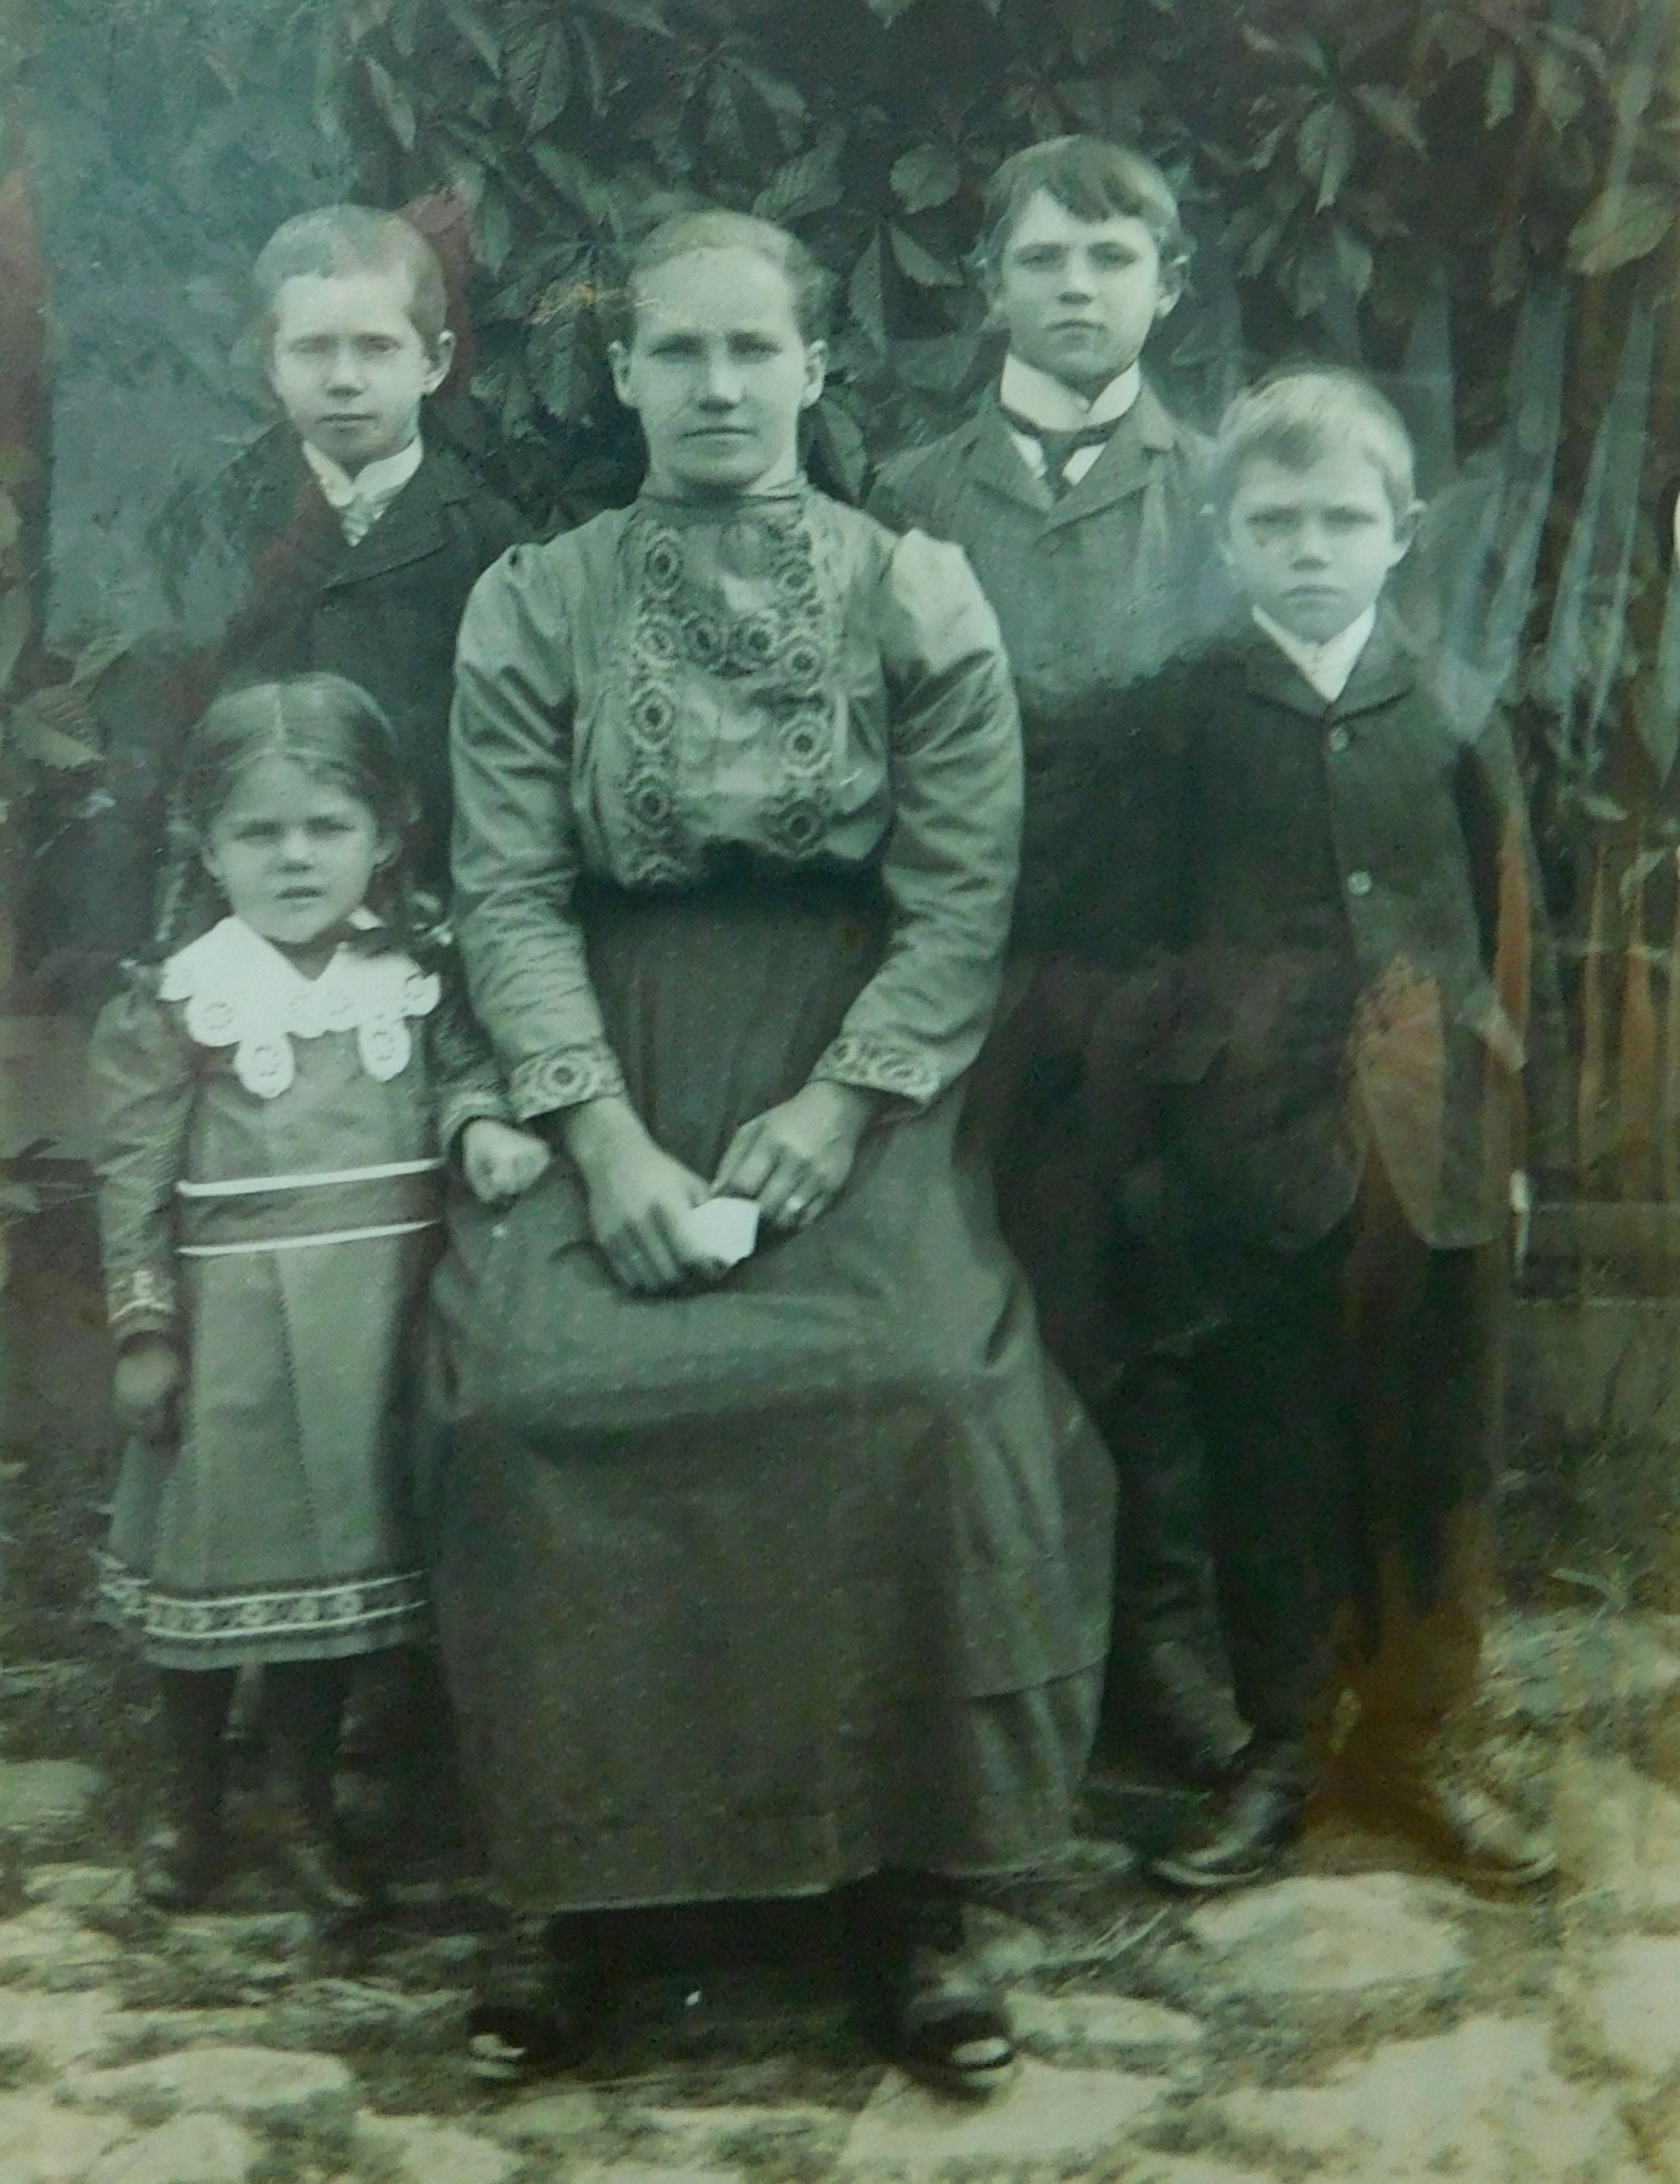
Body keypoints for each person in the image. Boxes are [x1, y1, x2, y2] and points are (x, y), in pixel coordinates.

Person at [425, 208, 1114, 2095]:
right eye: (679, 351)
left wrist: (840, 1104)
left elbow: (959, 901)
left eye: (753, 351)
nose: (717, 385)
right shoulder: (534, 602)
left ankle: (912, 1890)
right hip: (613, 1048)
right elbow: (505, 895)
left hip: (853, 1059)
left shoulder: (915, 593)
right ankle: (579, 1897)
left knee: (919, 1383)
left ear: (814, 369)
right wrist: (602, 1143)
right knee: (526, 1401)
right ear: (623, 373)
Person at [1065, 369, 1561, 1890]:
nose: (1307, 548)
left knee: (1434, 1456)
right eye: (1273, 521)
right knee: (1269, 1454)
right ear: (1225, 535)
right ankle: (1279, 1749)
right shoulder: (1181, 713)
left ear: (1399, 533)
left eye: (1341, 520)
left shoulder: (1448, 706)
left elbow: (1506, 936)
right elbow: (1130, 947)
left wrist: (1506, 1133)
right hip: (1249, 1153)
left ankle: (1420, 1743)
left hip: (1431, 1147)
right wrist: (1151, 1145)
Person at [869, 136, 1240, 1788]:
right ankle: (988, 1667)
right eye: (1042, 258)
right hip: (967, 978)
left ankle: (1151, 1653)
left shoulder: (1218, 487)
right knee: (972, 1309)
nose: (1076, 288)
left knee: (1148, 1313)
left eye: (1110, 259)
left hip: (1155, 976)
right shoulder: (911, 494)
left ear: (1169, 287)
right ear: (988, 288)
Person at [90, 673, 549, 1915]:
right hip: (232, 1332)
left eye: (326, 827)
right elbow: (132, 1177)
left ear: (387, 835)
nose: (294, 857)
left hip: (373, 1325)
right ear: (207, 847)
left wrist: (479, 1126)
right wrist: (145, 1328)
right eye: (259, 832)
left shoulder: (416, 972)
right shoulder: (182, 994)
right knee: (209, 1569)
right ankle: (187, 1805)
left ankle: (305, 1805)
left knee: (329, 1584)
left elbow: (461, 1075)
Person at [75, 205, 525, 972]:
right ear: (269, 365)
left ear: (435, 361)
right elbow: (145, 755)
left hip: (433, 940)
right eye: (313, 349)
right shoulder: (208, 529)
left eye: (377, 347)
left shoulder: (491, 542)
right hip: (232, 941)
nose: (344, 379)